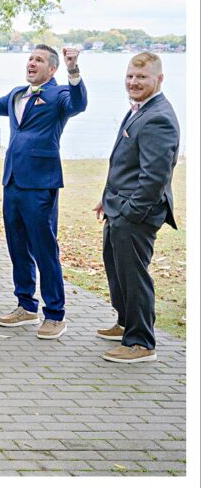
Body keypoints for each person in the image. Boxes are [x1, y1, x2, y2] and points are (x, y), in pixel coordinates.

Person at [0, 45, 86, 339]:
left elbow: (79, 104)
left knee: (44, 249)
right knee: (17, 247)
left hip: (41, 184)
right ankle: (26, 305)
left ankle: (55, 314)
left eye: (39, 60)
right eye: (30, 58)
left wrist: (74, 70)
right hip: (12, 181)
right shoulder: (18, 94)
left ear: (52, 69)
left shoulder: (59, 95)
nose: (32, 63)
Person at [94, 52, 179, 363]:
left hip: (136, 213)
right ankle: (125, 323)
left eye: (142, 77)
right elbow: (124, 162)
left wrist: (130, 212)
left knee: (134, 275)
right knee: (117, 270)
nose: (133, 82)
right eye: (130, 76)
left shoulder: (158, 117)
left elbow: (154, 176)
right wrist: (107, 197)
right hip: (118, 205)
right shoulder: (139, 109)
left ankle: (141, 343)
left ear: (159, 79)